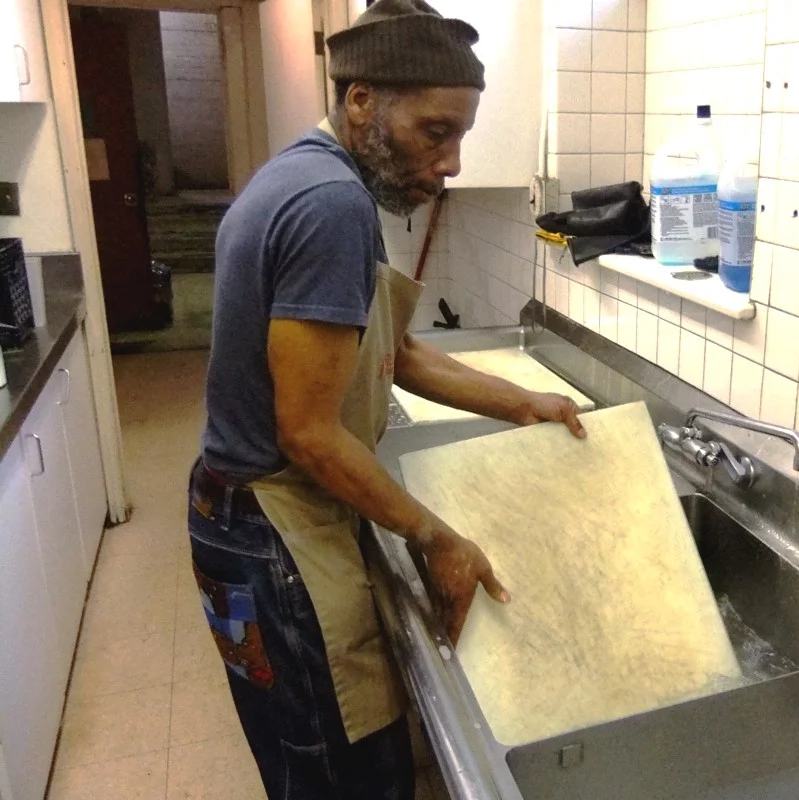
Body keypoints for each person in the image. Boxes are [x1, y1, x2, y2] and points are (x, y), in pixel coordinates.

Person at [185, 2, 586, 797]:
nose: (452, 163)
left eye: (461, 137)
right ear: (362, 100)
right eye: (436, 133)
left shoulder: (312, 172)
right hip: (274, 536)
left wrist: (520, 402)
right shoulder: (330, 206)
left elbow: (393, 354)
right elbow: (306, 432)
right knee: (341, 778)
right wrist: (435, 536)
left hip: (240, 517)